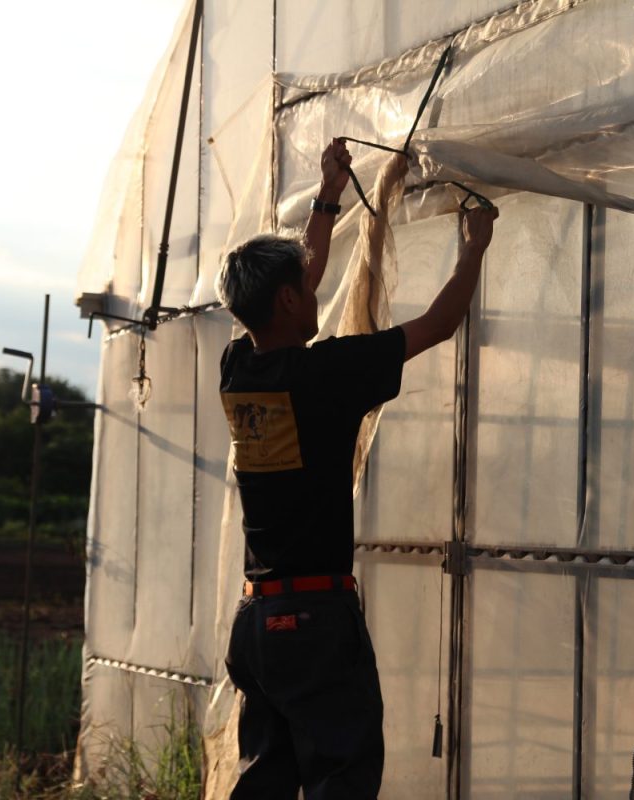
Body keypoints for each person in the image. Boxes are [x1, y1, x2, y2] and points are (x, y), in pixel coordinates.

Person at [216, 138, 497, 799]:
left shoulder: (240, 367)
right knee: (342, 776)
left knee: (266, 781)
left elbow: (301, 280)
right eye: (301, 291)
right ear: (285, 302)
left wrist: (329, 194)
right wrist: (476, 243)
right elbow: (438, 324)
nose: (317, 292)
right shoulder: (326, 373)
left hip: (259, 626)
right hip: (315, 621)